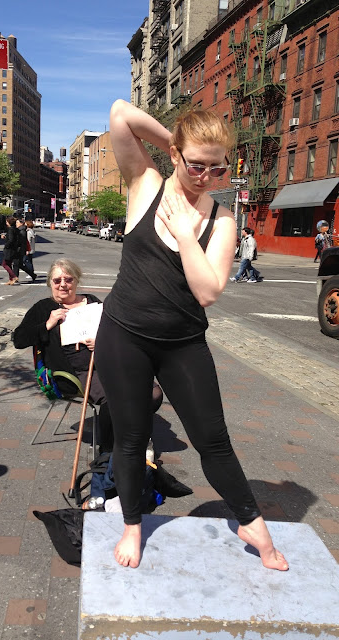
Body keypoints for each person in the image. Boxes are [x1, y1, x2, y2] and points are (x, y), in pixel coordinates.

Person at [94, 99, 288, 571]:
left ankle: (250, 522)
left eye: (217, 169)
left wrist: (185, 233)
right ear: (176, 156)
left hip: (182, 342)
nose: (205, 177)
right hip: (124, 334)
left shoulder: (222, 219)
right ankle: (132, 525)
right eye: (196, 165)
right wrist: (177, 144)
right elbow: (120, 113)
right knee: (130, 437)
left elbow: (208, 291)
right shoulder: (146, 183)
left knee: (212, 439)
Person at [12, 258, 162, 455]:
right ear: (50, 283)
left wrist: (101, 342)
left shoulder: (91, 302)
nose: (63, 284)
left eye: (68, 279)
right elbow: (19, 339)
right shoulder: (43, 308)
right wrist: (47, 324)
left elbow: (114, 331)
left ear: (76, 280)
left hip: (106, 361)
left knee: (153, 393)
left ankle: (132, 437)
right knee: (116, 397)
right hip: (74, 372)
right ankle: (109, 452)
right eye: (57, 280)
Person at [0, 216, 19, 285]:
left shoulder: (10, 229)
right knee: (9, 264)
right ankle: (11, 280)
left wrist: (6, 245)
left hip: (9, 249)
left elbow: (11, 240)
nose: (6, 223)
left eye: (7, 221)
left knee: (4, 264)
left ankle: (14, 276)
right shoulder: (16, 229)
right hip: (14, 249)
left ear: (9, 222)